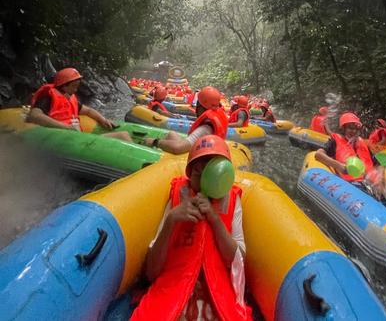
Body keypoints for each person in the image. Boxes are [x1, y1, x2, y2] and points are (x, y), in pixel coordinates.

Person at [131, 135, 252, 321]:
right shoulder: (180, 194)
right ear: (190, 172)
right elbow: (152, 272)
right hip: (177, 290)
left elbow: (238, 262)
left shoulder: (231, 200)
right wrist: (171, 220)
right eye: (197, 171)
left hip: (216, 295)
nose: (202, 178)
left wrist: (214, 219)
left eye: (208, 172)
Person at [28, 67, 132, 142]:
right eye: (74, 86)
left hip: (74, 137)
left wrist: (103, 120)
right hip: (60, 138)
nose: (76, 89)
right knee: (123, 135)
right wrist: (65, 127)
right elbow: (34, 115)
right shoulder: (48, 98)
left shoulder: (69, 99)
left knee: (130, 136)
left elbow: (88, 111)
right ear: (64, 86)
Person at [144, 86, 228, 154]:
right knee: (171, 134)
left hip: (197, 158)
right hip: (204, 150)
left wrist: (155, 142)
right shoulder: (217, 115)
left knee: (154, 142)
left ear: (200, 105)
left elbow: (178, 148)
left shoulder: (205, 128)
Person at [315, 112, 374, 181]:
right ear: (343, 129)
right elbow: (318, 154)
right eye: (350, 128)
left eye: (356, 128)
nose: (354, 131)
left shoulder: (362, 143)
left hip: (369, 183)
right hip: (350, 184)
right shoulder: (335, 142)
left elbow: (375, 163)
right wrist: (339, 166)